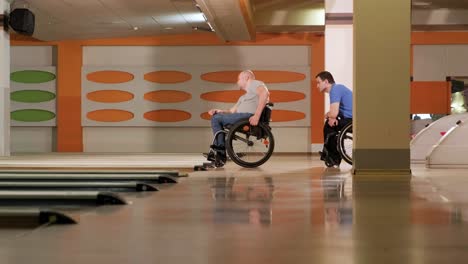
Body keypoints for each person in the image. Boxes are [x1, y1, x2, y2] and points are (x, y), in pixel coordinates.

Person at [207, 70, 270, 165]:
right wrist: (220, 111)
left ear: (247, 78)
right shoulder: (244, 97)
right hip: (240, 117)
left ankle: (220, 152)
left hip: (247, 116)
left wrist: (256, 115)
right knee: (216, 116)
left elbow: (264, 93)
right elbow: (232, 111)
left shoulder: (253, 83)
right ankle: (220, 152)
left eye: (239, 79)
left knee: (216, 119)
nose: (237, 82)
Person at [316, 71, 353, 167]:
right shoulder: (337, 89)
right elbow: (333, 113)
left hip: (352, 121)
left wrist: (332, 117)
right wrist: (331, 116)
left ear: (326, 82)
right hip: (351, 119)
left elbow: (333, 113)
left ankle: (333, 157)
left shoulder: (335, 90)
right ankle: (331, 156)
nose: (317, 85)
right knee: (330, 123)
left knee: (329, 126)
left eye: (318, 82)